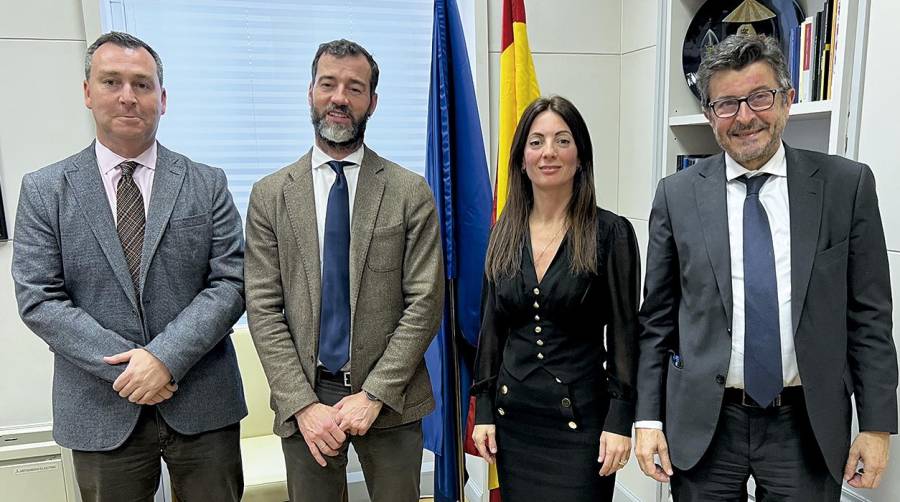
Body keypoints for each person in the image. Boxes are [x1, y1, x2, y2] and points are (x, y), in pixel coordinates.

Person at [635, 34, 897, 501]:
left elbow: (869, 317)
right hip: (705, 425)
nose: (745, 117)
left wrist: (876, 425)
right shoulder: (676, 195)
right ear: (711, 116)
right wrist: (648, 418)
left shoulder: (845, 186)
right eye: (727, 104)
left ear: (787, 100)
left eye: (759, 97)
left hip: (805, 425)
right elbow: (656, 320)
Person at [11, 32, 247, 501]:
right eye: (111, 81)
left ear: (163, 97)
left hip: (202, 401)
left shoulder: (207, 183)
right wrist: (130, 368)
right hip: (99, 408)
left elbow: (231, 282)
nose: (128, 96)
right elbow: (39, 298)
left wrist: (164, 359)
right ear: (86, 92)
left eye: (142, 84)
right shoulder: (44, 191)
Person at [244, 39, 444, 502]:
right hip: (305, 401)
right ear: (310, 92)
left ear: (372, 101)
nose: (340, 97)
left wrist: (373, 394)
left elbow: (425, 302)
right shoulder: (270, 195)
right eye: (328, 84)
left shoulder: (408, 191)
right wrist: (303, 404)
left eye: (355, 88)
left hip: (391, 400)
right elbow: (263, 308)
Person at [470, 95, 642, 501]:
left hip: (581, 425)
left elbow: (624, 335)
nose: (548, 152)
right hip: (514, 422)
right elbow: (492, 327)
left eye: (562, 141)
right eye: (536, 142)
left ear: (580, 156)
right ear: (522, 158)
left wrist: (620, 420)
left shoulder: (610, 234)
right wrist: (484, 408)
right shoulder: (503, 233)